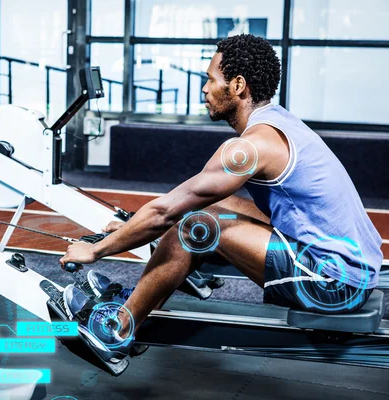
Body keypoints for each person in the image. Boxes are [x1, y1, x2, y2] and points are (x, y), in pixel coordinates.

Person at [60, 34, 383, 359]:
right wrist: (133, 227)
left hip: (335, 284)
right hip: (350, 268)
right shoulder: (278, 122)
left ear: (238, 85)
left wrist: (96, 250)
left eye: (210, 79)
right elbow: (185, 203)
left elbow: (165, 214)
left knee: (197, 224)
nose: (204, 88)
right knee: (210, 209)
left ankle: (118, 330)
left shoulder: (253, 146)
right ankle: (142, 305)